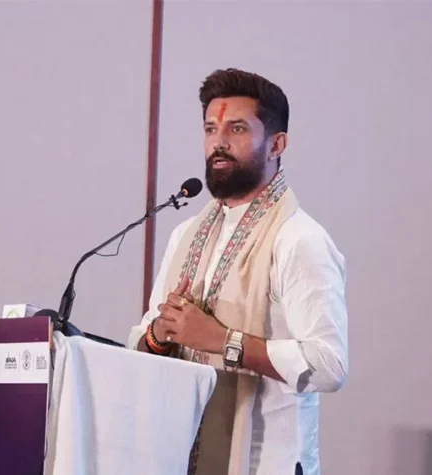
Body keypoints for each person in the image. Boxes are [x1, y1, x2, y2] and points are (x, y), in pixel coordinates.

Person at [127, 68, 349, 475]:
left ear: (277, 144)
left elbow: (328, 365)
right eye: (211, 129)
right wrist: (161, 333)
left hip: (267, 462)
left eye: (238, 128)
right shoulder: (185, 236)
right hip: (182, 455)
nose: (219, 142)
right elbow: (143, 339)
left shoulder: (299, 240)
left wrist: (222, 341)